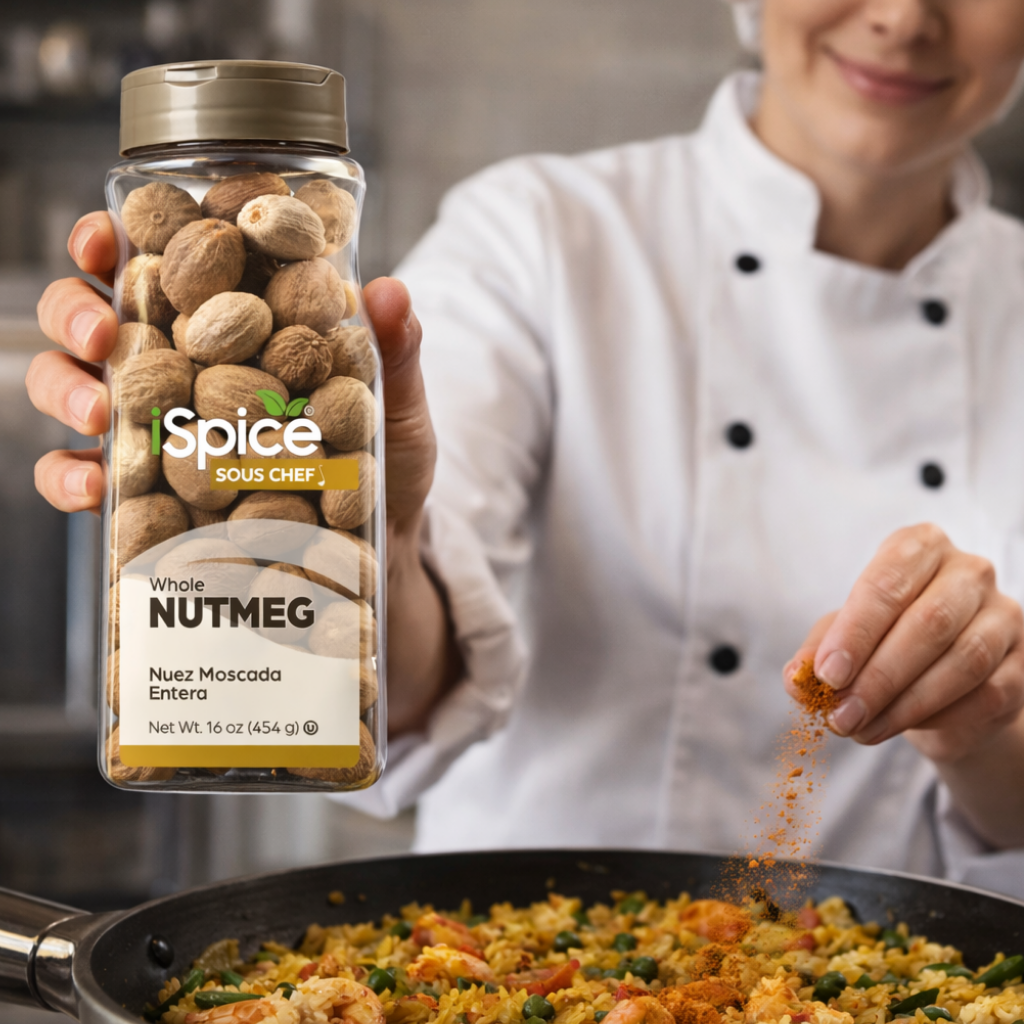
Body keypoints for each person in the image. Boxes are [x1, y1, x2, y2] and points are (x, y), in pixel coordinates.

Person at [28, 0, 1024, 894]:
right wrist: (392, 532)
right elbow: (409, 675)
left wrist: (984, 722)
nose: (903, 17)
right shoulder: (540, 235)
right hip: (509, 964)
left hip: (896, 979)